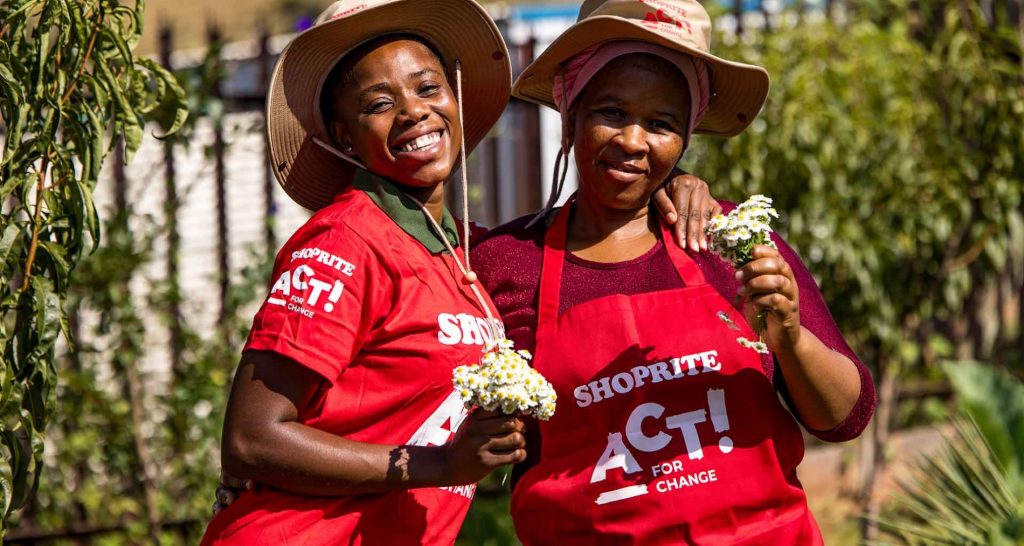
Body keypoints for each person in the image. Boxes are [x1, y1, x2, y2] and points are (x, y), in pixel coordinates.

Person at [201, 0, 722, 543]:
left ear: (455, 96)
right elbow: (252, 439)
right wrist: (439, 465)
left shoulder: (464, 253)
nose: (413, 112)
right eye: (379, 103)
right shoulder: (346, 240)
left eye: (427, 89)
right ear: (344, 135)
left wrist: (670, 179)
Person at [472, 0, 877, 544]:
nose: (634, 141)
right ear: (570, 117)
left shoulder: (729, 239)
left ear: (685, 139)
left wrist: (790, 340)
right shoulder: (506, 261)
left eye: (660, 124)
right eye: (612, 112)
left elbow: (846, 418)